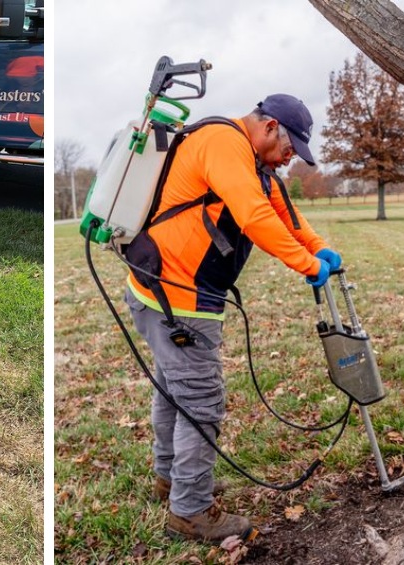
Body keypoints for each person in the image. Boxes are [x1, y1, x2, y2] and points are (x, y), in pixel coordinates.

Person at [124, 94, 342, 542]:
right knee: (200, 399)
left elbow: (284, 212)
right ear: (269, 128)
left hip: (159, 286)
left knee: (174, 390)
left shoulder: (249, 159)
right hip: (179, 297)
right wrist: (306, 266)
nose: (289, 160)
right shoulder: (224, 144)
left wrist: (317, 248)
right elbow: (254, 215)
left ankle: (172, 481)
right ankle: (190, 511)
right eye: (289, 149)